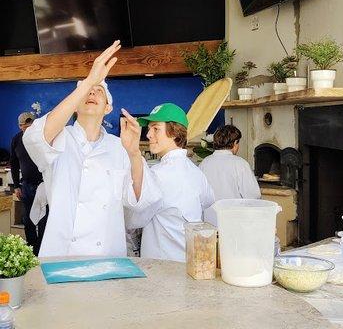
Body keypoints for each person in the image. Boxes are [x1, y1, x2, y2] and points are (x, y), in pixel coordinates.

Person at [23, 40, 161, 258]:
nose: (92, 93)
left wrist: (134, 153)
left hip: (106, 255)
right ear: (75, 106)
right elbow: (34, 138)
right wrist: (89, 81)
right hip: (62, 256)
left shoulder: (120, 147)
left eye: (99, 91)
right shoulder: (60, 138)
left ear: (108, 108)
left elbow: (141, 204)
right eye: (87, 91)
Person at [124, 103, 215, 262]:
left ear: (174, 133)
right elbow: (209, 200)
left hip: (162, 265)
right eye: (149, 129)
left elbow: (133, 220)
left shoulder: (157, 175)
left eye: (156, 129)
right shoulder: (197, 172)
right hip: (190, 261)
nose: (148, 135)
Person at [10, 112, 46, 255]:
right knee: (28, 219)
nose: (27, 127)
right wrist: (16, 186)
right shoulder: (17, 140)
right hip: (26, 186)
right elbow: (13, 163)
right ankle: (32, 250)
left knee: (43, 219)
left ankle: (43, 251)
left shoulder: (42, 137)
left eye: (30, 123)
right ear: (20, 127)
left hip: (43, 185)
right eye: (24, 125)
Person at [199, 125, 261, 200]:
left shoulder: (204, 163)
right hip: (234, 210)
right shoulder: (240, 164)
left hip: (210, 211)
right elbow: (253, 196)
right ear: (235, 143)